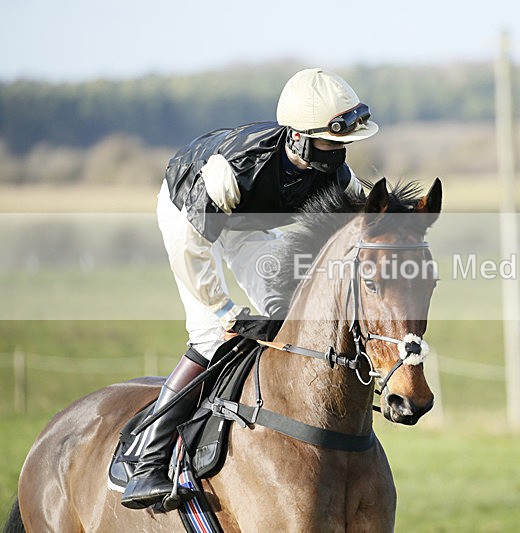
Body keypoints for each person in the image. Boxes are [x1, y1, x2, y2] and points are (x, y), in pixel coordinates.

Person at [121, 68, 379, 509]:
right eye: (330, 143)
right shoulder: (234, 170)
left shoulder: (332, 169)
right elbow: (192, 247)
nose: (338, 153)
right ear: (297, 137)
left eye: (343, 144)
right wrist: (222, 310)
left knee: (285, 315)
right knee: (211, 332)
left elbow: (370, 212)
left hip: (247, 223)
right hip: (191, 217)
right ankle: (148, 455)